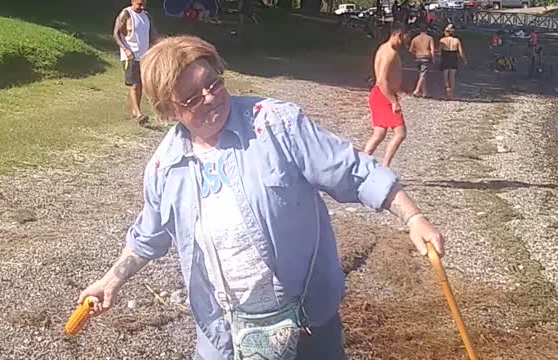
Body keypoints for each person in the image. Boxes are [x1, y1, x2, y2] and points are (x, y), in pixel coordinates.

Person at [77, 35, 444, 360]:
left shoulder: (275, 123)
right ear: (169, 110)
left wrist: (413, 217)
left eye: (214, 84)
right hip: (223, 331)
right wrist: (110, 281)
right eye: (192, 98)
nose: (210, 98)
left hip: (306, 324)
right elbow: (148, 236)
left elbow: (353, 171)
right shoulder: (165, 167)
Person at [364, 22, 408, 168]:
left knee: (379, 134)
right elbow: (382, 80)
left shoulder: (383, 48)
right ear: (399, 35)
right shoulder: (390, 52)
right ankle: (385, 167)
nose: (404, 41)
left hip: (379, 93)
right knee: (400, 133)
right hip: (383, 95)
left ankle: (362, 165)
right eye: (404, 38)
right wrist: (393, 101)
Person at [113, 0, 159, 124]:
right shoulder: (126, 13)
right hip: (130, 56)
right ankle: (139, 113)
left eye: (144, 3)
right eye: (139, 4)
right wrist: (125, 49)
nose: (142, 6)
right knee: (133, 85)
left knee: (141, 84)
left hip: (144, 56)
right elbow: (115, 34)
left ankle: (134, 110)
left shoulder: (147, 15)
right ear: (132, 1)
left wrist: (161, 45)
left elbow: (153, 34)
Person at [438, 24, 467, 99]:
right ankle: (452, 94)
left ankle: (447, 89)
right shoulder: (457, 40)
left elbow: (439, 51)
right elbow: (461, 52)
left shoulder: (442, 40)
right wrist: (464, 60)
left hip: (445, 57)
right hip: (453, 57)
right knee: (452, 76)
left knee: (445, 75)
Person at [409, 23, 435, 98]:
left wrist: (415, 53)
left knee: (422, 74)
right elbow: (432, 49)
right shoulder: (429, 38)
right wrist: (433, 58)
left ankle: (425, 92)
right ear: (427, 30)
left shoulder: (415, 39)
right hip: (426, 56)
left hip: (418, 57)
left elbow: (410, 50)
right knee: (423, 74)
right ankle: (416, 90)